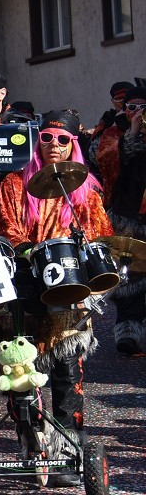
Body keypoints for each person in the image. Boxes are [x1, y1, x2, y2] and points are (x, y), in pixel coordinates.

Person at [0, 110, 112, 484]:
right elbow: (2, 226)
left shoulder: (86, 188)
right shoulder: (13, 183)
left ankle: (69, 451)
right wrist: (26, 249)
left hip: (69, 294)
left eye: (62, 139)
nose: (53, 145)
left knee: (67, 373)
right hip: (26, 289)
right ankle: (34, 449)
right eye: (46, 138)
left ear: (73, 144)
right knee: (24, 375)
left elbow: (101, 234)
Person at [104, 85, 146, 355]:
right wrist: (133, 132)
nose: (137, 112)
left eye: (143, 107)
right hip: (127, 212)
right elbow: (107, 163)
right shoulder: (112, 131)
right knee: (130, 276)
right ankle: (128, 331)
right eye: (132, 107)